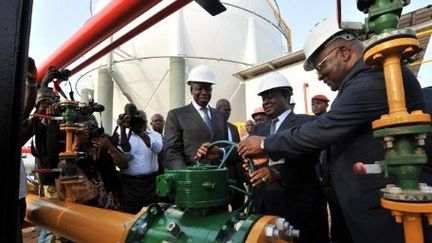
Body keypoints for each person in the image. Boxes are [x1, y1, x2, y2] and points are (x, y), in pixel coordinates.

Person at [238, 17, 426, 243]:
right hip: (356, 204)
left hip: (384, 212)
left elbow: (325, 129)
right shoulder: (359, 81)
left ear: (344, 53)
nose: (320, 75)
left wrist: (265, 144)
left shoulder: (375, 77)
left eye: (321, 66)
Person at [199, 73, 329, 242]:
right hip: (264, 205)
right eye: (263, 98)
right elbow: (242, 150)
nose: (265, 102)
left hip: (298, 204)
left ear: (286, 95)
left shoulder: (305, 123)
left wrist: (277, 173)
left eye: (270, 97)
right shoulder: (260, 129)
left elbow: (308, 158)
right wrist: (220, 152)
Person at [163, 64, 228, 169]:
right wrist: (187, 175)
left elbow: (227, 146)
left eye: (208, 89)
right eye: (199, 88)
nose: (204, 92)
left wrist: (221, 153)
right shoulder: (177, 115)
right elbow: (172, 152)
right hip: (192, 179)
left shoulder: (220, 116)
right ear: (191, 90)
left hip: (218, 176)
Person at [117, 107, 163, 213]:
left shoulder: (155, 135)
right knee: (129, 213)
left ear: (146, 122)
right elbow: (124, 149)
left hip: (150, 183)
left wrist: (141, 133)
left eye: (140, 120)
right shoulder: (124, 136)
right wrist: (123, 128)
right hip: (129, 184)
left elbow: (158, 149)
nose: (137, 123)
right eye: (135, 120)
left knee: (151, 212)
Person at [215, 98, 246, 210]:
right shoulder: (212, 127)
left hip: (236, 175)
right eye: (225, 110)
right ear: (217, 110)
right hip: (220, 174)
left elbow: (238, 149)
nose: (228, 112)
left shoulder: (233, 128)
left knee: (239, 207)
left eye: (230, 110)